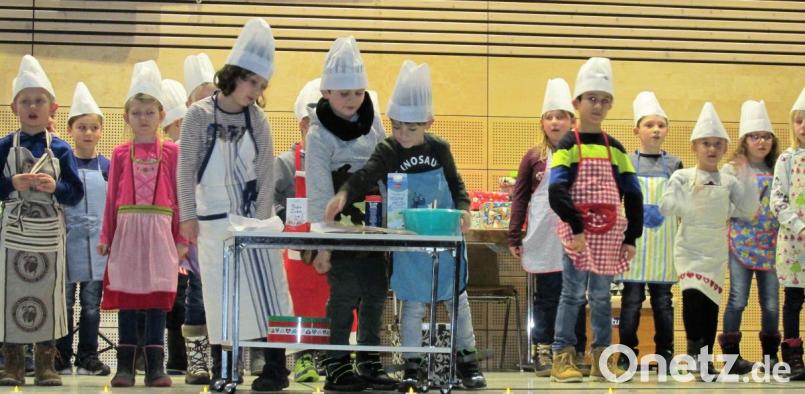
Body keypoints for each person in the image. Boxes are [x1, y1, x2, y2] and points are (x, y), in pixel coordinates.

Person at [326, 60, 486, 392]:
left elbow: (457, 185)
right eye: (397, 127)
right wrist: (344, 194)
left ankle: (467, 362)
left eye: (411, 129)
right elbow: (366, 174)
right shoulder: (388, 150)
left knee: (457, 301)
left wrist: (464, 209)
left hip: (444, 237)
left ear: (428, 122)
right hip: (410, 240)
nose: (403, 135)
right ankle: (412, 366)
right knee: (412, 303)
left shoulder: (440, 148)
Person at [177, 18, 292, 392]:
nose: (254, 91)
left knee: (267, 293)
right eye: (250, 81)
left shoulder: (257, 119)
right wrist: (188, 216)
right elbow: (185, 170)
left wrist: (259, 223)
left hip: (253, 219)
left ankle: (275, 368)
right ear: (233, 75)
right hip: (212, 223)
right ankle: (224, 369)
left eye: (261, 85)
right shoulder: (197, 115)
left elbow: (265, 172)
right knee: (219, 297)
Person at [305, 36, 395, 392]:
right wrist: (322, 245)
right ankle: (337, 364)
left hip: (373, 225)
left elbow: (386, 170)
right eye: (344, 93)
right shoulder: (318, 133)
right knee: (344, 294)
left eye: (358, 92)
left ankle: (370, 360)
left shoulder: (373, 122)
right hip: (336, 227)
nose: (352, 100)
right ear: (327, 92)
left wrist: (391, 228)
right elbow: (318, 192)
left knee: (375, 291)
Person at [548, 57, 641, 383]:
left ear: (611, 104)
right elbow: (557, 190)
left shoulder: (616, 148)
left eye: (604, 101)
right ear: (577, 103)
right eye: (591, 99)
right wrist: (576, 227)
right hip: (578, 234)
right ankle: (563, 357)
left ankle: (603, 358)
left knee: (602, 297)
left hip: (609, 235)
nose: (597, 106)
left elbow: (633, 193)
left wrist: (631, 237)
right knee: (572, 295)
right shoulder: (567, 144)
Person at [99, 60, 186, 388]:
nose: (143, 119)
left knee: (155, 300)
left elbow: (179, 198)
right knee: (129, 299)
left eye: (150, 113)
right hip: (127, 235)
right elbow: (111, 200)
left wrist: (182, 239)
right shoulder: (121, 153)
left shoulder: (173, 153)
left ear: (162, 116)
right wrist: (106, 234)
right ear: (126, 116)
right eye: (136, 113)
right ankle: (125, 366)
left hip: (160, 234)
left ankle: (155, 366)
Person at [0, 54, 84, 387]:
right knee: (11, 297)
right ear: (14, 108)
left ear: (53, 108)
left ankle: (47, 365)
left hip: (49, 235)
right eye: (26, 102)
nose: (32, 107)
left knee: (49, 299)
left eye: (39, 101)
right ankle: (13, 366)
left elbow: (74, 193)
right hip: (14, 235)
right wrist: (10, 185)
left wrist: (55, 187)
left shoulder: (61, 149)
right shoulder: (4, 146)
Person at [660, 102, 759, 381]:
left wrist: (746, 178)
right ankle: (693, 353)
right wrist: (685, 202)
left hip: (715, 251)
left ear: (725, 148)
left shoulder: (728, 180)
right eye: (706, 143)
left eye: (717, 144)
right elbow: (667, 206)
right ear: (695, 146)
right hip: (689, 247)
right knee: (693, 300)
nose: (712, 149)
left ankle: (704, 363)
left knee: (711, 306)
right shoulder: (682, 176)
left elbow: (747, 209)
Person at [508, 78, 589, 377]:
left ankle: (575, 352)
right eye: (549, 117)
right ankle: (543, 351)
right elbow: (520, 198)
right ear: (542, 123)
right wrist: (514, 234)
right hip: (543, 234)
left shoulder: (582, 154)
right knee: (547, 295)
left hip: (574, 235)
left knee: (577, 295)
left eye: (561, 116)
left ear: (572, 121)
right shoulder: (533, 157)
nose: (555, 122)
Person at [616, 92, 681, 371]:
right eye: (649, 125)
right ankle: (626, 354)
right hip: (635, 245)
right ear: (636, 130)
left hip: (663, 246)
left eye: (661, 125)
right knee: (630, 302)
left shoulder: (675, 164)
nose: (656, 130)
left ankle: (665, 353)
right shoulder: (626, 162)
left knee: (663, 303)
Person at [718, 100, 781, 375]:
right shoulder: (731, 170)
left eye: (766, 136)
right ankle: (732, 359)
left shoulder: (778, 168)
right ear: (745, 140)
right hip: (741, 244)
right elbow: (722, 203)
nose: (762, 141)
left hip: (772, 245)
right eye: (756, 136)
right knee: (737, 300)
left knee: (770, 303)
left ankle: (770, 358)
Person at [54, 82, 112, 377]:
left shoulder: (108, 166)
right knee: (63, 303)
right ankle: (60, 357)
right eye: (81, 127)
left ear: (101, 131)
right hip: (65, 243)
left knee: (91, 305)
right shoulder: (62, 165)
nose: (88, 133)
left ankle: (87, 357)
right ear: (70, 130)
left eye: (93, 127)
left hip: (97, 248)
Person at [273, 78, 328, 383]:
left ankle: (333, 359)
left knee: (332, 306)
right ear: (301, 125)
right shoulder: (284, 162)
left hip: (328, 250)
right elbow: (267, 198)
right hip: (295, 253)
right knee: (297, 306)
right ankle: (302, 357)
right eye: (310, 125)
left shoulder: (336, 162)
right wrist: (285, 221)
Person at [774, 87, 805, 380]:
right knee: (793, 302)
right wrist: (800, 226)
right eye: (799, 120)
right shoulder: (787, 159)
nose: (804, 126)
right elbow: (778, 200)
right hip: (795, 246)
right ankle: (794, 359)